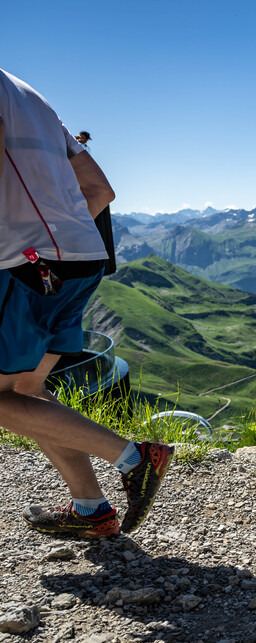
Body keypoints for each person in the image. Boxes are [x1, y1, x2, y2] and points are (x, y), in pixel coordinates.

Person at [0, 68, 172, 539]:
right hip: (78, 259)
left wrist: (29, 249)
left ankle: (136, 458)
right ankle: (91, 508)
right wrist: (58, 247)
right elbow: (100, 191)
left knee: (2, 400)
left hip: (21, 265)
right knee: (27, 394)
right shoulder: (33, 98)